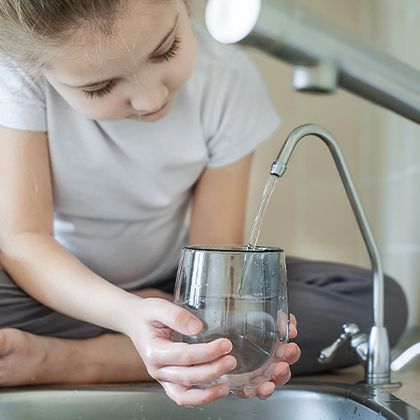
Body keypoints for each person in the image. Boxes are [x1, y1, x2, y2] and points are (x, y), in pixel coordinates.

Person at [0, 0, 408, 405]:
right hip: (52, 288)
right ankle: (156, 343)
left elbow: (218, 267)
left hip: (175, 286)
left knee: (376, 303)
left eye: (165, 50)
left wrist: (215, 318)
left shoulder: (227, 79)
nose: (149, 99)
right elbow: (24, 241)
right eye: (99, 87)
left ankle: (71, 360)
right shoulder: (19, 78)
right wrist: (125, 311)